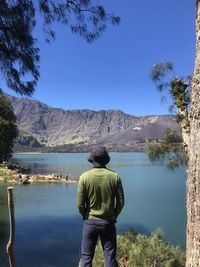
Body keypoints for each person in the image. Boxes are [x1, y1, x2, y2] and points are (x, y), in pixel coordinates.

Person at [77, 146, 124, 267]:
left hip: (90, 222)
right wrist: (113, 215)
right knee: (109, 255)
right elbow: (120, 202)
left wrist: (85, 215)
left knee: (86, 256)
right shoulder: (115, 177)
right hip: (108, 222)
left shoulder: (84, 177)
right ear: (106, 160)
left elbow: (80, 204)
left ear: (93, 160)